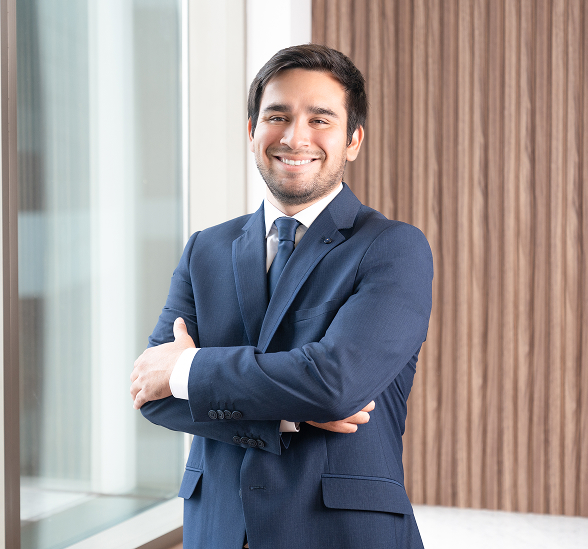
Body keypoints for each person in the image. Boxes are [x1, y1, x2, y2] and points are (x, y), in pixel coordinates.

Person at [130, 44, 433, 549]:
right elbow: (152, 395)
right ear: (252, 131)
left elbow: (334, 383)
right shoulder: (206, 249)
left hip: (340, 534)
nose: (295, 137)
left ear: (353, 140)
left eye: (320, 119)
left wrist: (187, 370)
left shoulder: (393, 248)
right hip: (218, 530)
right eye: (277, 116)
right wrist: (291, 410)